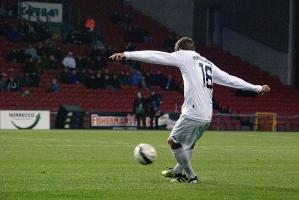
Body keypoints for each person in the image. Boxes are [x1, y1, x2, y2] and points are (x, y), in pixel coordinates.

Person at [109, 37, 271, 183]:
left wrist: (127, 54)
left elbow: (156, 56)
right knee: (189, 143)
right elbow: (230, 79)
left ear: (179, 49)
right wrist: (257, 88)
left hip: (193, 112)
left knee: (173, 141)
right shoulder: (207, 62)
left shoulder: (183, 56)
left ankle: (190, 176)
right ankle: (177, 171)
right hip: (207, 115)